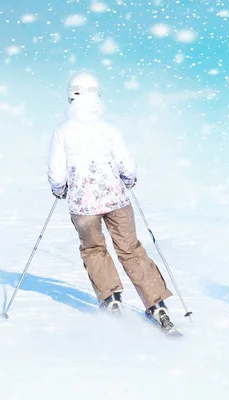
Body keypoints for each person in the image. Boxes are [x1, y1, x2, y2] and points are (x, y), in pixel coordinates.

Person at [47, 71, 178, 334]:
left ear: (71, 96)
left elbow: (56, 171)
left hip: (83, 205)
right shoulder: (109, 129)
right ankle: (157, 305)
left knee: (94, 249)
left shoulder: (63, 131)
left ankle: (111, 300)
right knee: (130, 250)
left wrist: (59, 189)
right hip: (116, 200)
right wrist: (128, 179)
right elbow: (126, 164)